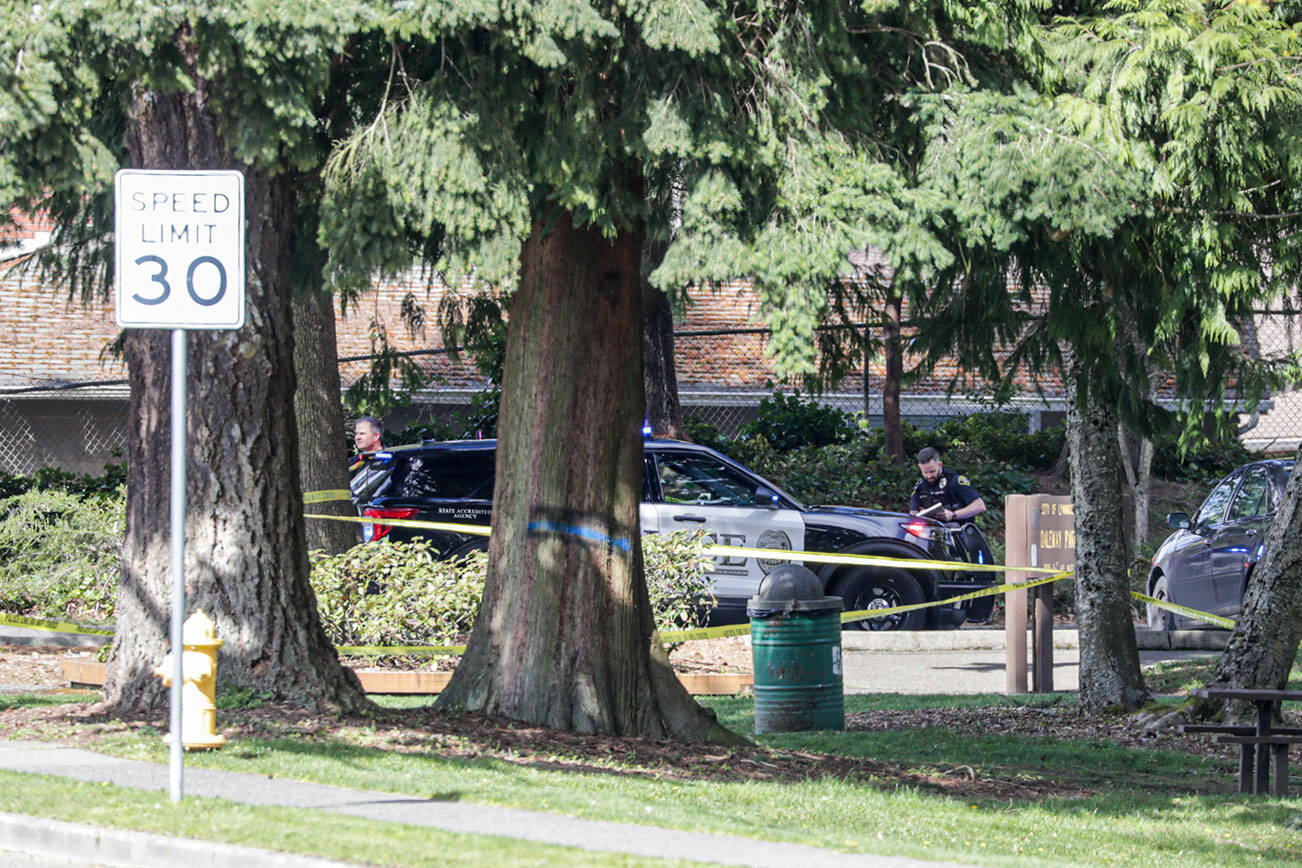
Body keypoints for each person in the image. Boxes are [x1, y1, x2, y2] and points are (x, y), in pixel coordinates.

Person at [910, 446, 986, 523]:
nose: (929, 476)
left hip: (959, 529)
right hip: (933, 531)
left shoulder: (954, 481)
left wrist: (954, 515)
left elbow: (980, 506)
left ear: (940, 465)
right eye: (925, 472)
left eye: (932, 471)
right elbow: (913, 513)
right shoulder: (920, 486)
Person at [350, 416, 389, 504]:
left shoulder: (390, 459)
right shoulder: (354, 461)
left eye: (362, 434)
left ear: (376, 436)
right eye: (356, 434)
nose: (357, 437)